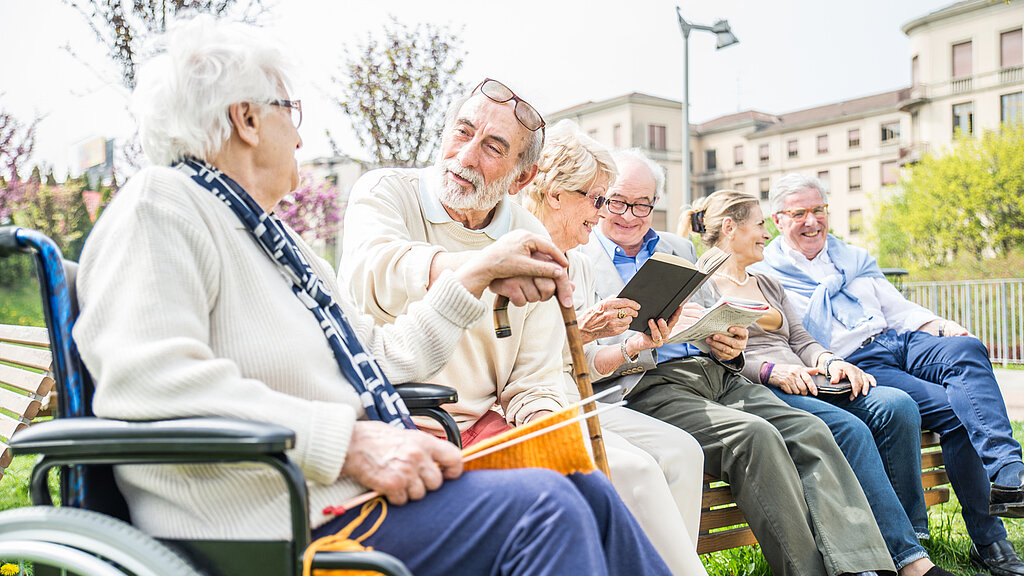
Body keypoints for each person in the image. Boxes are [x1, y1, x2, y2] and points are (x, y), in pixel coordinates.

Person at [71, 17, 672, 576]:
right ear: (247, 120)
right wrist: (348, 442)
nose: (302, 134)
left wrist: (471, 281)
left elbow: (378, 357)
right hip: (272, 522)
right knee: (547, 507)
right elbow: (148, 381)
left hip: (340, 500)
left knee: (586, 488)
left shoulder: (276, 243)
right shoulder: (162, 206)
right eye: (291, 110)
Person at [341, 81, 702, 574]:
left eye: (493, 148)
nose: (466, 156)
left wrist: (543, 427)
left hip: (488, 426)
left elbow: (534, 377)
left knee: (596, 481)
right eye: (462, 132)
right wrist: (478, 268)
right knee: (604, 483)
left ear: (520, 177)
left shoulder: (530, 236)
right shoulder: (386, 192)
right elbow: (373, 274)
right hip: (394, 426)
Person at [579, 149, 895, 576]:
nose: (630, 215)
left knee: (810, 430)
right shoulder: (581, 259)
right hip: (650, 385)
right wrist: (644, 341)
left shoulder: (676, 247)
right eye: (618, 201)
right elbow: (586, 358)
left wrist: (730, 341)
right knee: (756, 437)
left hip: (715, 372)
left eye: (643, 205)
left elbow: (710, 310)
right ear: (601, 199)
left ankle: (862, 567)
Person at [754, 173, 1024, 576]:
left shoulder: (852, 259)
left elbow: (897, 310)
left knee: (966, 347)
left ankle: (1008, 473)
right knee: (958, 416)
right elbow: (793, 338)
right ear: (779, 219)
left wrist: (942, 325)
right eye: (799, 213)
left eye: (818, 210)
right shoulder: (766, 272)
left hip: (895, 340)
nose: (812, 221)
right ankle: (991, 541)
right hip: (854, 362)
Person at [684, 189, 954, 576]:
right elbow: (714, 356)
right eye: (761, 225)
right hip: (762, 389)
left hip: (812, 378)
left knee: (896, 407)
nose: (767, 234)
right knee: (850, 429)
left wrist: (833, 361)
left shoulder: (767, 282)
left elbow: (800, 339)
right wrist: (771, 372)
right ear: (730, 227)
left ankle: (909, 536)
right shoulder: (702, 285)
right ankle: (907, 562)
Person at [521, 119, 709, 575]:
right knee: (641, 470)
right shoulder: (518, 252)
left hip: (582, 394)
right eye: (599, 199)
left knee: (686, 452)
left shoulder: (579, 265)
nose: (606, 212)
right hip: (539, 402)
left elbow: (588, 364)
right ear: (555, 193)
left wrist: (634, 345)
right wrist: (579, 334)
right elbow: (522, 362)